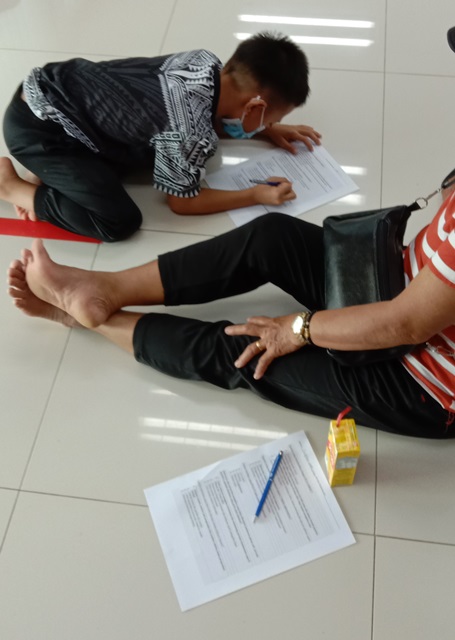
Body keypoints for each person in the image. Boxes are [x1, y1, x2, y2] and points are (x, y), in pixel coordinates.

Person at [0, 32, 320, 242]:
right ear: (254, 107)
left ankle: (49, 171)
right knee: (119, 222)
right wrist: (255, 195)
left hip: (48, 90)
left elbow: (203, 115)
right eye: (271, 118)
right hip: (41, 132)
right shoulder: (191, 133)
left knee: (153, 148)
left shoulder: (204, 61)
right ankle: (13, 187)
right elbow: (182, 202)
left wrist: (266, 129)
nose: (269, 124)